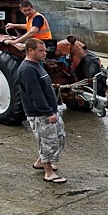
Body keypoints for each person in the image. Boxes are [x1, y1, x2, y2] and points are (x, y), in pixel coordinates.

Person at [16, 38, 67, 183]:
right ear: (30, 51)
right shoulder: (27, 70)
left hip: (51, 110)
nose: (45, 53)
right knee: (47, 141)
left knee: (59, 139)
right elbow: (35, 94)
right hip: (41, 114)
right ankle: (48, 172)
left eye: (44, 50)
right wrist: (48, 112)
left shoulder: (37, 65)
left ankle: (41, 161)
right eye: (41, 51)